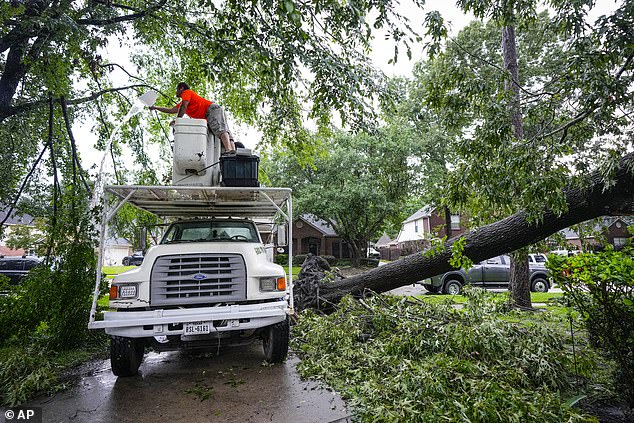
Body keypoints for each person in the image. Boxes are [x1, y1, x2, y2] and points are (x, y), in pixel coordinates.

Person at [150, 82, 236, 154]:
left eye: (177, 90)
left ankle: (229, 150)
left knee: (220, 129)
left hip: (211, 110)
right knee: (224, 130)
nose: (176, 92)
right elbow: (172, 110)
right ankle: (232, 152)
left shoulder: (186, 92)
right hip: (212, 111)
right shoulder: (182, 103)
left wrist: (177, 121)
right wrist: (155, 107)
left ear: (181, 88)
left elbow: (184, 105)